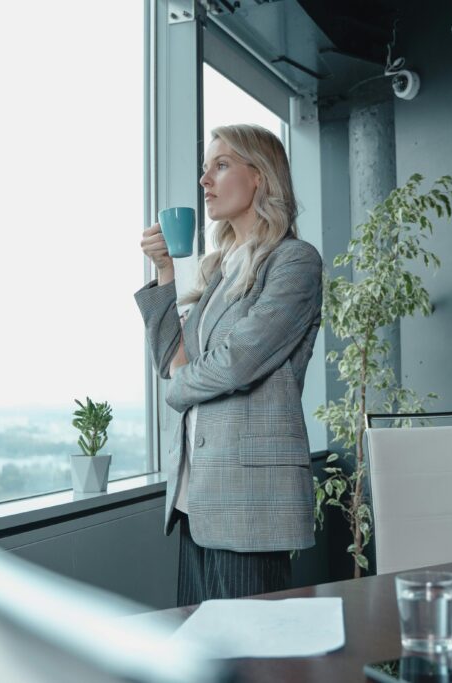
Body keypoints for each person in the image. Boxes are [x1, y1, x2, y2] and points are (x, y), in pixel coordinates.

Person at [135, 124, 322, 605]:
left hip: (250, 500)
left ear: (260, 177)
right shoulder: (219, 270)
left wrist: (178, 389)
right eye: (205, 169)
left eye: (220, 166)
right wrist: (165, 276)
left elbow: (238, 362)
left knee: (252, 663)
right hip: (196, 496)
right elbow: (171, 360)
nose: (205, 181)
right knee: (202, 656)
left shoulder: (294, 262)